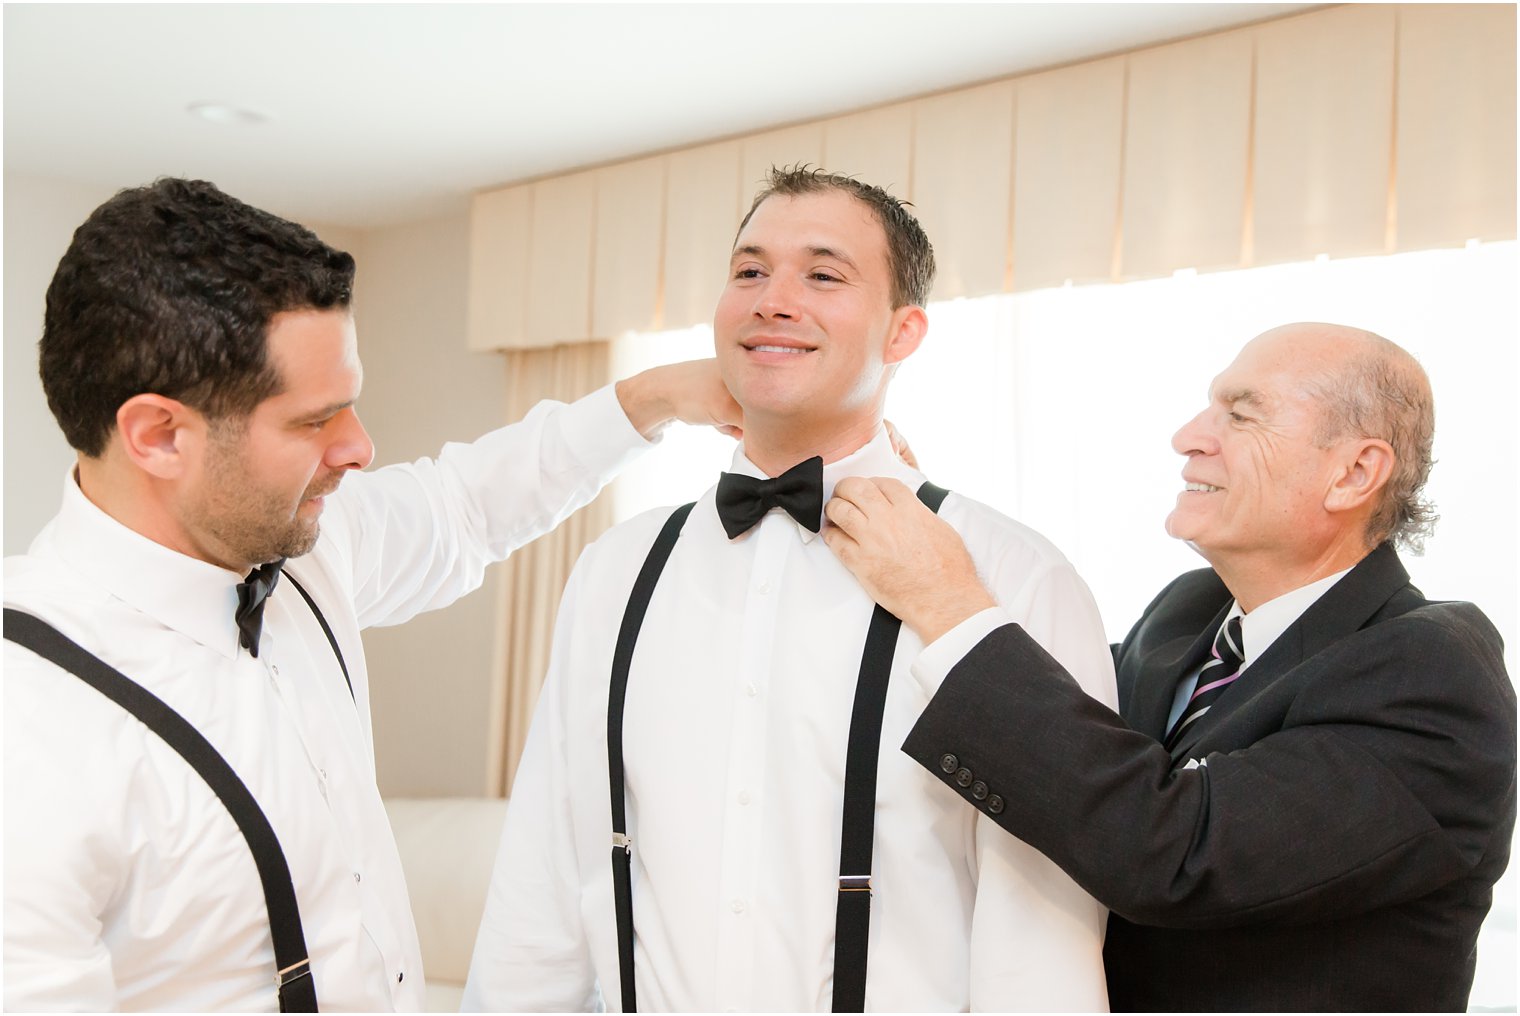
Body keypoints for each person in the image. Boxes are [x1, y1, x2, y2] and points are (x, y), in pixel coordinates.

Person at [2, 177, 744, 1011]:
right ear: (159, 435)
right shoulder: (27, 724)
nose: (359, 448)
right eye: (314, 420)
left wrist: (654, 400)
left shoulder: (309, 551)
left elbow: (466, 504)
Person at [462, 166, 1116, 1012]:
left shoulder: (1015, 573)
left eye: (823, 274)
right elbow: (546, 874)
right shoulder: (615, 569)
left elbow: (1041, 933)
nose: (773, 299)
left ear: (903, 332)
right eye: (749, 270)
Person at [823, 322, 1516, 1012]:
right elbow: (1064, 742)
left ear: (1354, 473)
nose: (1189, 435)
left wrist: (945, 597)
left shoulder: (1433, 670)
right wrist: (920, 515)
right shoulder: (1190, 612)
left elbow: (1174, 851)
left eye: (1241, 414)